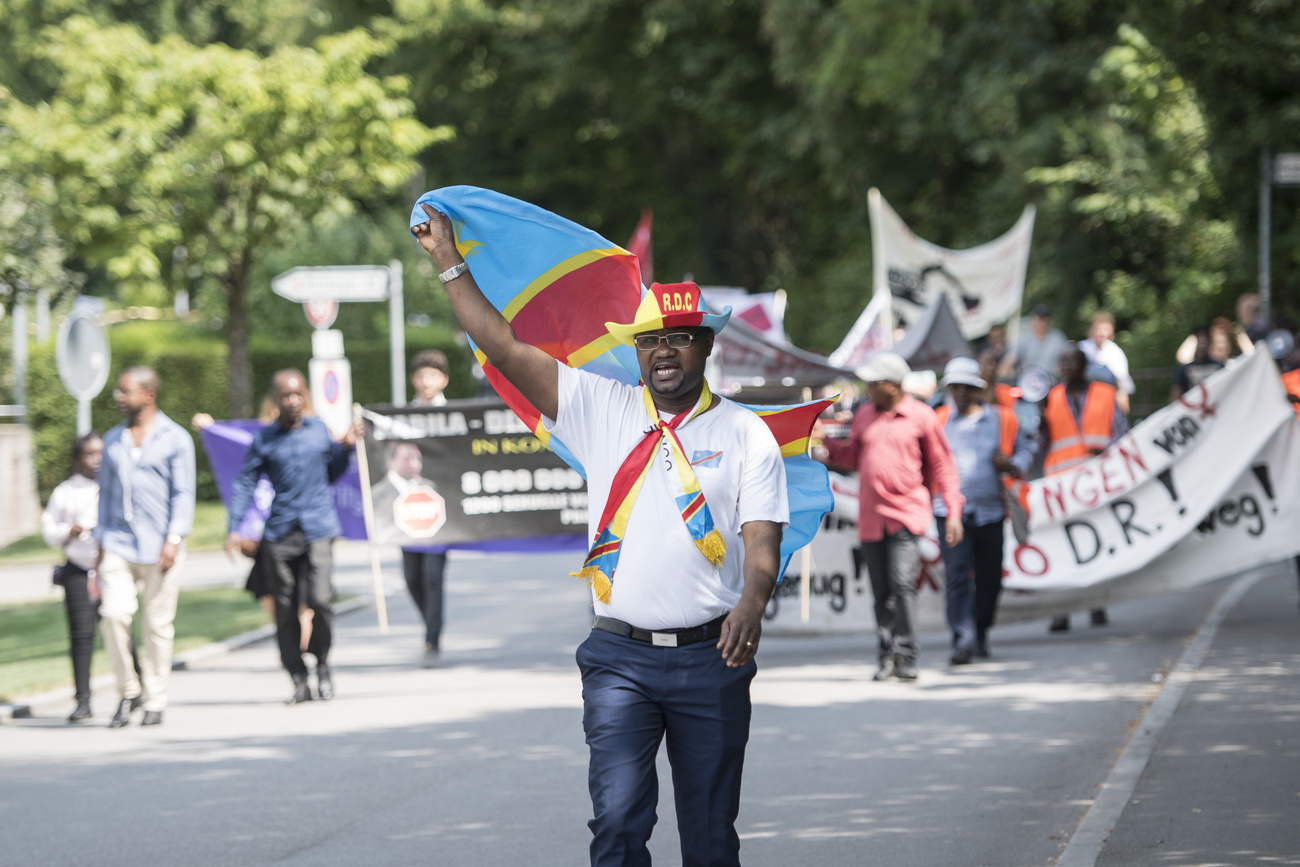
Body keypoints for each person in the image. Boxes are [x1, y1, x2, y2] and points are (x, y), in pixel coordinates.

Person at [413, 202, 787, 867]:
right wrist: (448, 261)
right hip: (621, 660)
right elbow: (504, 346)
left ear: (705, 343)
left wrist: (753, 599)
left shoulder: (743, 432)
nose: (663, 350)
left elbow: (761, 541)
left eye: (678, 337)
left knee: (709, 840)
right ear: (636, 349)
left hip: (713, 659)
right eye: (650, 340)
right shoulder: (598, 406)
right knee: (615, 826)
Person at [816, 352, 964, 681]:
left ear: (893, 386)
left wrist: (953, 511)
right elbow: (853, 457)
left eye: (873, 382)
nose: (867, 388)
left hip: (906, 515)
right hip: (871, 518)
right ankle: (886, 655)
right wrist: (824, 442)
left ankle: (907, 654)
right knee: (881, 590)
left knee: (902, 583)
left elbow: (943, 466)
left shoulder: (922, 416)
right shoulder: (864, 414)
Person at [225, 370, 357, 705]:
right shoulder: (265, 439)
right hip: (281, 532)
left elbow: (332, 472)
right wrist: (234, 526)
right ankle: (298, 678)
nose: (292, 401)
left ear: (306, 396)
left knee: (321, 600)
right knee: (284, 609)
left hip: (318, 527)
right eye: (285, 396)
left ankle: (322, 663)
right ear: (275, 398)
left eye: (298, 394)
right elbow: (245, 483)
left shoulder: (318, 431)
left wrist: (347, 449)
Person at [94, 367, 196, 728]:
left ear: (149, 395)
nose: (119, 398)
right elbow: (105, 495)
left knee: (156, 625)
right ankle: (128, 691)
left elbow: (184, 493)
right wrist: (100, 545)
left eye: (126, 392)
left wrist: (174, 537)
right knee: (113, 615)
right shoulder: (112, 440)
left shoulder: (176, 438)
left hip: (161, 546)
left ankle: (155, 698)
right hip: (119, 543)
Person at [932, 358, 1034, 662]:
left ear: (977, 389)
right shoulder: (939, 420)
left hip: (990, 512)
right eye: (954, 387)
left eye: (966, 387)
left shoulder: (1003, 419)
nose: (960, 393)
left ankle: (980, 631)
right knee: (957, 576)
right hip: (950, 513)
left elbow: (1026, 449)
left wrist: (1013, 464)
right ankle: (963, 639)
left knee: (990, 578)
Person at [1040, 345, 1128, 632]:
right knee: (1063, 547)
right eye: (1061, 362)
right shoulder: (1051, 398)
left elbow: (1121, 434)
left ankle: (1095, 603)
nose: (1064, 367)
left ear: (1083, 365)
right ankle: (1062, 610)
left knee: (1094, 545)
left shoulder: (1105, 394)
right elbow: (1043, 443)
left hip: (1096, 484)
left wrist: (1103, 454)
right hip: (1062, 487)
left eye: (1070, 362)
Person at [41, 432, 104, 723]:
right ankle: (83, 700)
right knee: (81, 635)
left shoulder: (113, 487)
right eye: (90, 454)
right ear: (79, 458)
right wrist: (69, 531)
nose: (97, 459)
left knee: (119, 628)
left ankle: (137, 688)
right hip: (78, 567)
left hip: (110, 568)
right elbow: (49, 530)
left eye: (100, 453)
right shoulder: (66, 491)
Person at [404, 351, 453, 667]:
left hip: (441, 508)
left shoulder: (453, 416)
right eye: (422, 376)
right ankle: (429, 624)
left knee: (432, 576)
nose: (427, 382)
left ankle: (431, 639)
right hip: (408, 508)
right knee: (411, 577)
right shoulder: (402, 415)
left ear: (444, 380)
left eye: (433, 375)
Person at [1080, 311, 1134, 413]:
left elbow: (1122, 385)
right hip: (1084, 403)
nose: (1102, 333)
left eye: (1106, 329)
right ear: (1091, 330)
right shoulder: (1081, 350)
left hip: (1108, 404)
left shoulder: (1115, 352)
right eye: (1098, 329)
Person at [1001, 303, 1067, 380]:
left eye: (1043, 319)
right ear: (1032, 319)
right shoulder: (1024, 340)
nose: (1040, 322)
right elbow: (1008, 362)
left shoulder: (1058, 338)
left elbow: (1068, 361)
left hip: (1052, 382)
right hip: (1029, 383)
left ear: (1049, 320)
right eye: (1038, 318)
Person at [1171, 326, 1224, 400]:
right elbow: (1177, 393)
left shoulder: (1219, 367)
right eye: (1201, 342)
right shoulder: (1185, 369)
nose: (1203, 346)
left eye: (1205, 342)